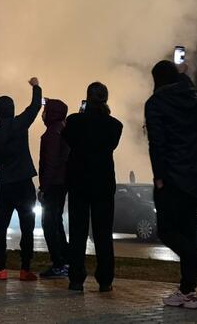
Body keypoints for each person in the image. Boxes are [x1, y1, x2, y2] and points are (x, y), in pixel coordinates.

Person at [145, 60, 197, 309]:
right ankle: (187, 290)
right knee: (187, 235)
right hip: (194, 177)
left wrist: (158, 175)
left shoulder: (156, 103)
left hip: (171, 177)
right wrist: (184, 75)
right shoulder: (193, 100)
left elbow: (157, 142)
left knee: (167, 231)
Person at [0, 77, 43, 281]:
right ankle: (25, 269)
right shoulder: (20, 124)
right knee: (27, 227)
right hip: (24, 183)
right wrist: (35, 86)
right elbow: (34, 107)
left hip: (5, 185)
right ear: (13, 109)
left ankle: (1, 269)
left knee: (1, 227)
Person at [63, 82, 122, 293]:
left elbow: (67, 139)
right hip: (103, 184)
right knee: (103, 234)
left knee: (78, 233)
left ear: (87, 97)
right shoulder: (115, 125)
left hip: (79, 182)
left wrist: (80, 115)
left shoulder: (74, 121)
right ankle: (105, 279)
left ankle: (76, 279)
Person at [37, 97, 71, 279]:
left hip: (54, 184)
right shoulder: (65, 129)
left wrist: (43, 187)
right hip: (62, 183)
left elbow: (50, 162)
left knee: (49, 224)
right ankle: (65, 259)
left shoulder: (52, 133)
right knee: (57, 221)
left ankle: (58, 263)